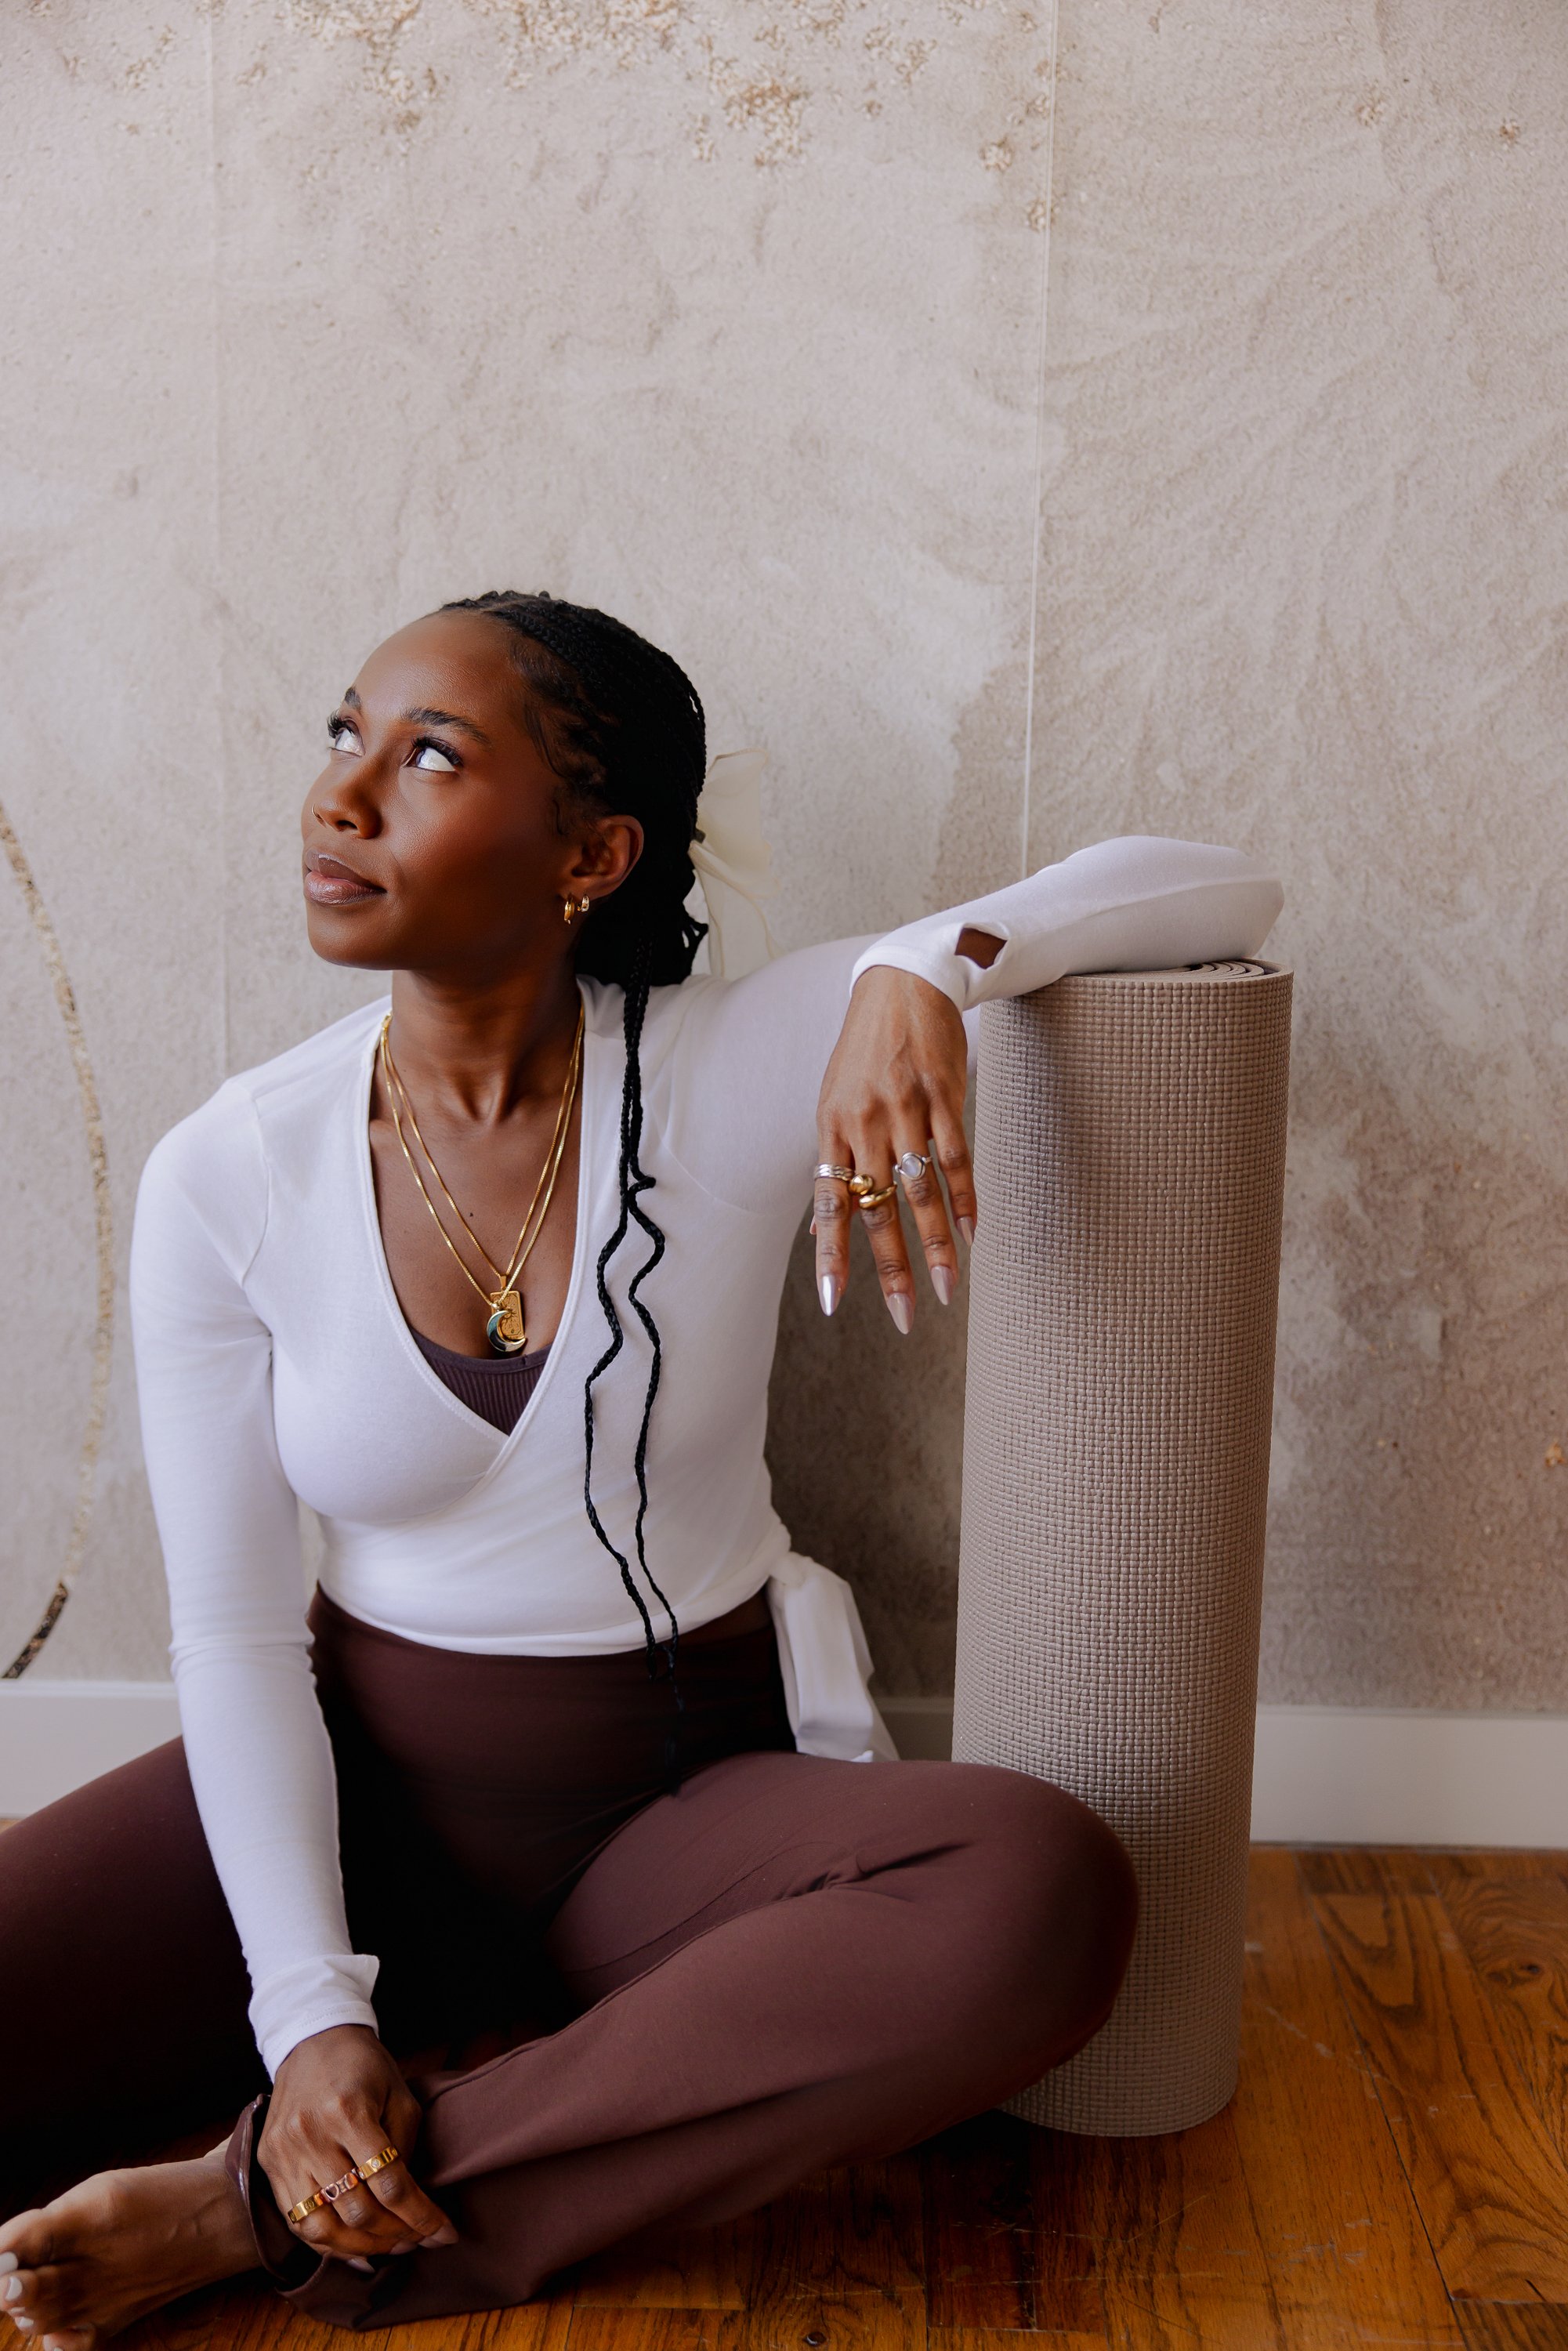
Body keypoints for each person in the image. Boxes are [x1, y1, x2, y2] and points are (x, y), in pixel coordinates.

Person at [0, 593, 1282, 2345]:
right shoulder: (228, 1171)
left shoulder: (717, 1071)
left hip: (682, 1818)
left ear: (588, 853)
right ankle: (409, 2113)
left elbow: (1208, 886)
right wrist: (308, 2019)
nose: (342, 797)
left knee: (1040, 1890)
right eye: (341, 736)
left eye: (429, 757)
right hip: (362, 1793)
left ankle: (260, 2217)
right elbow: (231, 1640)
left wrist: (931, 964)